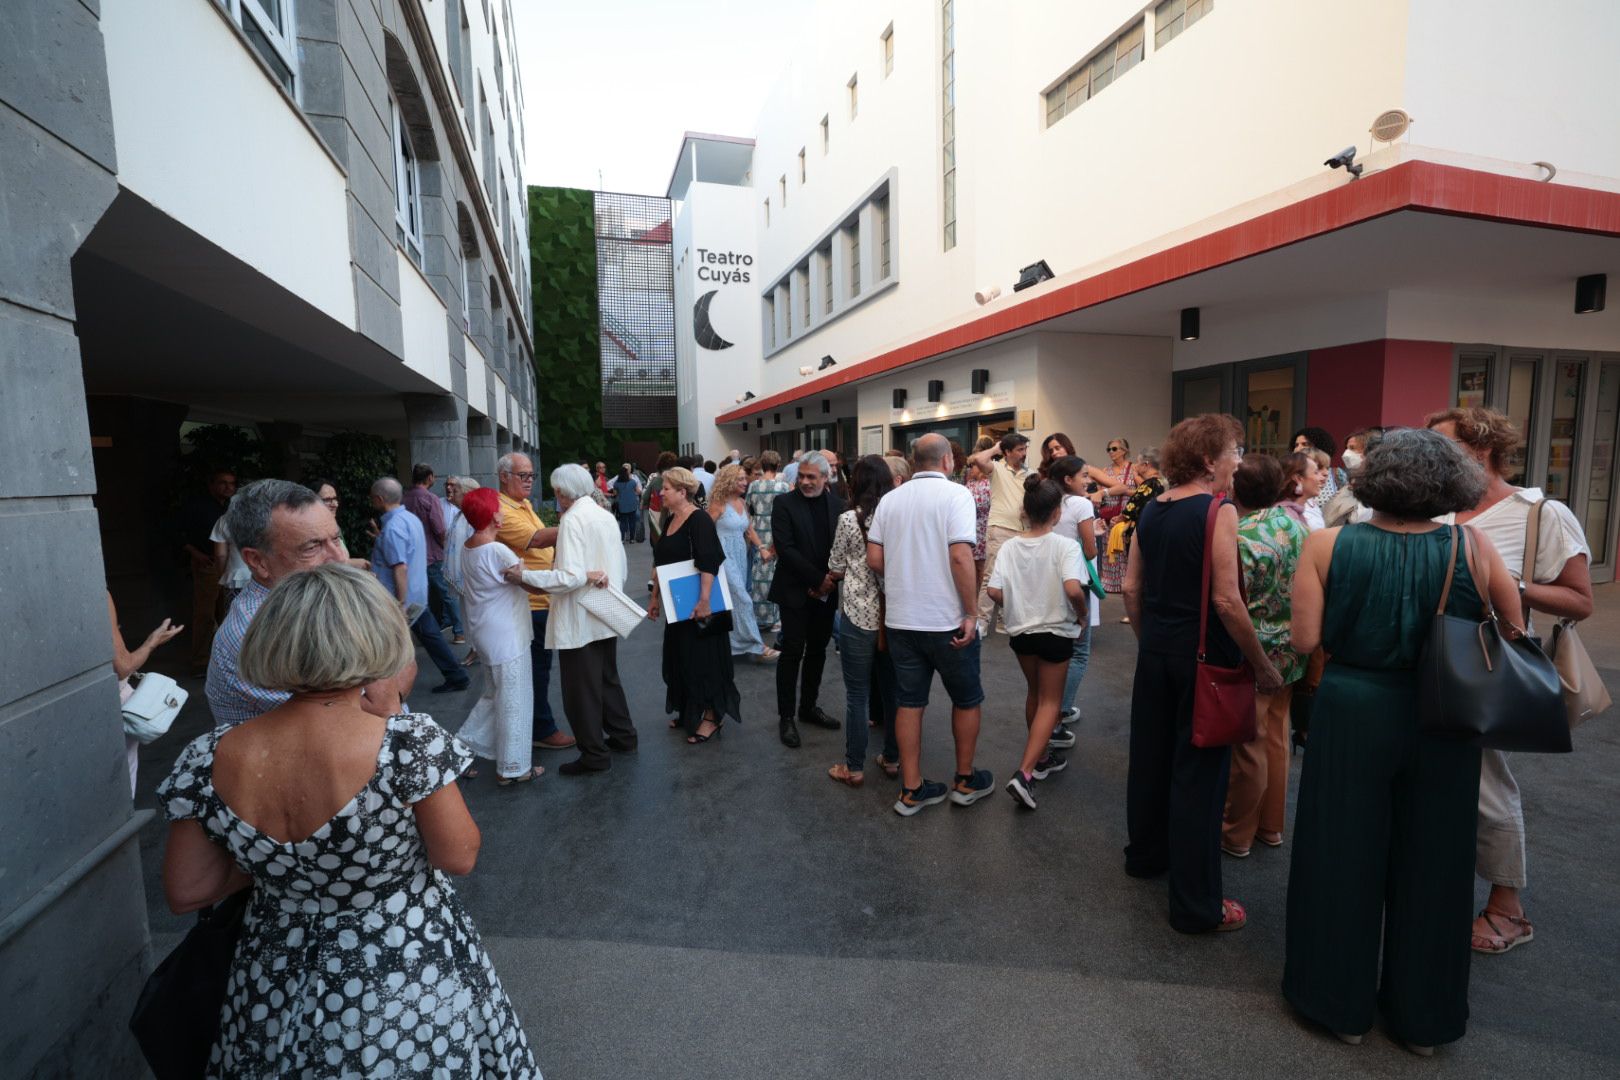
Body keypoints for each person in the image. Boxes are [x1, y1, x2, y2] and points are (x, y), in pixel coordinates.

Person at [157, 565, 539, 1077]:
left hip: (274, 970)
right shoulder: (406, 743)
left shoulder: (206, 755)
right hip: (403, 963)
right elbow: (458, 854)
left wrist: (286, 864)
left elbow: (187, 890)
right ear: (375, 638)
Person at [1284, 428, 1523, 1053]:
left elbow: (1305, 641)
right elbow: (1513, 630)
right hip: (1444, 717)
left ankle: (1339, 1006)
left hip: (1352, 709)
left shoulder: (1325, 545)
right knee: (1437, 863)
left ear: (1373, 480)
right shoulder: (1473, 546)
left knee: (1340, 851)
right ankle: (1425, 1019)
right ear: (1451, 484)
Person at [1428, 406, 1594, 957]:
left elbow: (1579, 599)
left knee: (1486, 783)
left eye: (1444, 446)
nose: (1434, 457)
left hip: (1486, 661)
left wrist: (1509, 584)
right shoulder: (1433, 506)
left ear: (1482, 450)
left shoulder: (1540, 512)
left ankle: (1507, 907)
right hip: (1427, 659)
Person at [1122, 414, 1282, 933]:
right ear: (1211, 460)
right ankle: (1195, 907)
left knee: (1150, 760)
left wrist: (1151, 643)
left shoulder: (1151, 508)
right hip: (1204, 660)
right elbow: (1227, 601)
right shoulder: (1219, 511)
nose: (1239, 459)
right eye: (1235, 450)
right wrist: (1261, 665)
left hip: (1157, 655)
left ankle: (1146, 857)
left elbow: (1130, 588)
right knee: (1199, 780)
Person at [867, 434, 994, 816]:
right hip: (946, 620)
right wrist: (971, 613)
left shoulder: (891, 499)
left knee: (909, 701)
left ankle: (911, 788)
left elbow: (875, 558)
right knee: (967, 698)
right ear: (947, 463)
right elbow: (960, 556)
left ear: (913, 461)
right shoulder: (957, 496)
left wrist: (909, 574)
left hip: (903, 618)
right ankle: (965, 779)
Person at [206, 480, 374, 726]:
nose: (339, 558)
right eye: (312, 546)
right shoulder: (257, 632)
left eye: (336, 539)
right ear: (258, 562)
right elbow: (371, 713)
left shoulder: (306, 605)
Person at [504, 465, 634, 775]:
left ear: (563, 492)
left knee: (580, 691)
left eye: (556, 490)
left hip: (579, 614)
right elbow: (621, 565)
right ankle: (624, 735)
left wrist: (523, 576)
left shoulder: (573, 519)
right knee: (606, 679)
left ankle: (594, 754)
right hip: (605, 608)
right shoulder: (603, 514)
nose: (555, 496)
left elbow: (568, 577)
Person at [1221, 455, 1309, 857]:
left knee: (1249, 747)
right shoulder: (1295, 525)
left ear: (1234, 489)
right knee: (1277, 736)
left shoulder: (1239, 536)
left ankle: (1236, 833)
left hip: (1254, 653)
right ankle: (1271, 827)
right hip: (1292, 649)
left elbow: (1233, 600)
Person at [987, 477, 1089, 810]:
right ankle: (1025, 773)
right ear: (1057, 513)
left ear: (1025, 511)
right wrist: (1082, 615)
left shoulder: (1010, 547)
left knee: (1035, 694)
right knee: (1051, 702)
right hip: (1055, 631)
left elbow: (993, 592)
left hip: (1021, 633)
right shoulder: (1065, 547)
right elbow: (1074, 588)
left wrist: (1016, 603)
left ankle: (1041, 757)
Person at [453, 488, 545, 786]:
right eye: (499, 507)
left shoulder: (469, 547)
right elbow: (530, 584)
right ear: (494, 515)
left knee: (495, 697)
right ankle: (513, 768)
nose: (503, 511)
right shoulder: (497, 551)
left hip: (486, 632)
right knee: (514, 701)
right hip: (508, 634)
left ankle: (457, 752)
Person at [647, 467, 740, 743]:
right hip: (678, 604)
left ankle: (712, 717)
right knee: (682, 657)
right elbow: (661, 563)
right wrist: (655, 598)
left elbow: (709, 560)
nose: (660, 492)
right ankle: (691, 709)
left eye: (666, 488)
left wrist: (704, 600)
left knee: (704, 660)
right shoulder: (670, 520)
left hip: (697, 604)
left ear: (682, 492)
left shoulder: (699, 520)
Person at [826, 456, 900, 787]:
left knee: (857, 694)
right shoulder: (898, 516)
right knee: (893, 691)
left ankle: (853, 767)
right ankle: (893, 758)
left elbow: (836, 566)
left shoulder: (847, 520)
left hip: (858, 613)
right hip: (895, 614)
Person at [494, 453, 575, 752]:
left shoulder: (523, 503)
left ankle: (533, 727)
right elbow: (538, 540)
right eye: (523, 475)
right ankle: (541, 729)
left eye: (531, 475)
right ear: (504, 476)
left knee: (539, 670)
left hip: (541, 596)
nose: (529, 480)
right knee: (538, 671)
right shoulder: (502, 509)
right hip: (531, 601)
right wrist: (579, 522)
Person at [770, 451, 846, 748]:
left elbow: (841, 547)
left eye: (811, 477)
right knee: (791, 652)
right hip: (794, 590)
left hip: (825, 592)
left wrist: (829, 582)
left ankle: (809, 707)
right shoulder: (784, 503)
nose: (804, 482)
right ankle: (786, 716)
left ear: (826, 478)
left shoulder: (837, 504)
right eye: (801, 476)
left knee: (818, 650)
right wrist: (818, 580)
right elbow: (785, 549)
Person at [370, 477, 470, 694]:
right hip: (416, 593)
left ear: (378, 499)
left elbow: (400, 568)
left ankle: (387, 691)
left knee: (389, 644)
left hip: (401, 599)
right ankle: (455, 675)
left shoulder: (394, 527)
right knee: (430, 637)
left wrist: (401, 604)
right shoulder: (410, 520)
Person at [1044, 455, 1101, 745]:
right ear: (1068, 479)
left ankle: (1050, 711)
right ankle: (1060, 713)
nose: (1088, 481)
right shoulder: (1081, 505)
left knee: (1053, 651)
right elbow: (1090, 551)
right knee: (1079, 651)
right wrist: (1094, 534)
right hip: (1076, 582)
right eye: (1084, 476)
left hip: (1048, 582)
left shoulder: (1047, 502)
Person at [108, 592, 183, 795]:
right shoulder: (96, 592)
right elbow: (123, 667)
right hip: (111, 703)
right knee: (122, 790)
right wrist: (151, 642)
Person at [710, 463, 778, 663]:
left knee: (734, 601)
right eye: (739, 479)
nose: (744, 482)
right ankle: (758, 646)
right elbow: (703, 529)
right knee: (744, 599)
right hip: (723, 557)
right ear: (728, 481)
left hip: (740, 555)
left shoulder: (741, 502)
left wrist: (762, 548)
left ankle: (730, 645)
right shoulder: (718, 504)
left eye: (744, 478)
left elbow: (749, 529)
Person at [967, 433, 1033, 633]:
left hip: (1023, 529)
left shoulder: (1030, 473)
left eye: (1025, 448)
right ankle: (982, 624)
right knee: (990, 576)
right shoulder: (996, 468)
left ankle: (1007, 621)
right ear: (1007, 452)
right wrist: (996, 448)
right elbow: (978, 459)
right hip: (999, 528)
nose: (1024, 453)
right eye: (1019, 449)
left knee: (1015, 577)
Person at [178, 468, 236, 674]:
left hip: (228, 566)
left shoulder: (230, 508)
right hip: (207, 564)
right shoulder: (198, 507)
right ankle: (200, 661)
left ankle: (222, 659)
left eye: (231, 483)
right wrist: (195, 553)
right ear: (211, 485)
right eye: (223, 483)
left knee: (226, 613)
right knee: (205, 613)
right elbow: (178, 533)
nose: (228, 487)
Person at [1105, 448, 1167, 624]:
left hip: (1140, 535)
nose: (1135, 466)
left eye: (1138, 463)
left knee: (1137, 575)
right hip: (1154, 535)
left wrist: (1120, 518)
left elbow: (1133, 507)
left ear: (1146, 465)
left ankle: (1137, 612)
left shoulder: (1150, 485)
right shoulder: (1161, 483)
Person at [404, 463, 464, 645]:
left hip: (411, 557)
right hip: (432, 555)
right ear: (429, 477)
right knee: (447, 594)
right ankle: (459, 632)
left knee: (421, 596)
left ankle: (425, 634)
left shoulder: (404, 499)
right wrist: (445, 548)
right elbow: (439, 529)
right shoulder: (431, 499)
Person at [1086, 438, 1136, 594]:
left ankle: (1127, 584)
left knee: (1126, 550)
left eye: (1114, 449)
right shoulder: (1104, 472)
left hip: (1126, 515)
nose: (1111, 452)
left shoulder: (1133, 469)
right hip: (1109, 515)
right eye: (1109, 449)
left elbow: (1143, 492)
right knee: (1109, 550)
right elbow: (1101, 492)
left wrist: (1124, 491)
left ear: (1124, 450)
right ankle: (1111, 585)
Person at [1321, 428, 1381, 528]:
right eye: (1346, 448)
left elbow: (1359, 520)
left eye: (1352, 448)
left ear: (1370, 452)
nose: (1346, 454)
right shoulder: (1349, 486)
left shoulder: (1380, 488)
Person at [209, 493, 252, 609]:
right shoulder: (271, 520)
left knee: (234, 618)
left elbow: (220, 555)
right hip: (265, 577)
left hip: (234, 577)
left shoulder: (224, 520)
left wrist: (222, 575)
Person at [1292, 426, 1346, 500]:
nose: (1298, 448)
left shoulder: (1336, 474)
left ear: (1319, 447)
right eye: (1296, 445)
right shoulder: (1291, 472)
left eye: (1305, 444)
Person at [964, 454, 992, 591]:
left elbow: (981, 505)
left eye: (972, 466)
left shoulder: (987, 484)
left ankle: (980, 597)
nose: (969, 469)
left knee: (981, 566)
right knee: (971, 565)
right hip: (971, 529)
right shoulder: (970, 483)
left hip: (982, 530)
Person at [1279, 451, 1326, 531]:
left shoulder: (1305, 508)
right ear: (1298, 479)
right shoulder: (1284, 517)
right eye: (1316, 473)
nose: (1322, 478)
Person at [644, 450, 676, 545]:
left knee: (656, 541)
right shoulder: (676, 479)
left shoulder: (654, 479)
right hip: (672, 514)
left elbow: (645, 497)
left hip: (655, 513)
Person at [610, 464, 642, 541]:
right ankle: (632, 539)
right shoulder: (633, 482)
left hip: (622, 505)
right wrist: (632, 493)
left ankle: (622, 539)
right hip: (632, 504)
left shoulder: (616, 483)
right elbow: (638, 492)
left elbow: (615, 494)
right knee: (632, 522)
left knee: (623, 522)